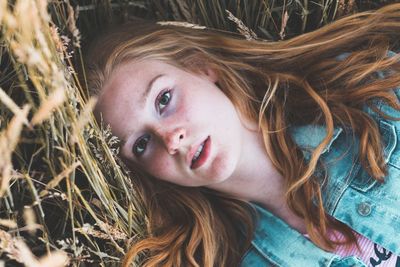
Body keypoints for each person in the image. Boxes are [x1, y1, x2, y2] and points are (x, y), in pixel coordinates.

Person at [85, 3, 400, 266]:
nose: (171, 139)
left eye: (163, 99)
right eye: (141, 144)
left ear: (200, 66)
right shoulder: (234, 259)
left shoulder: (365, 96)